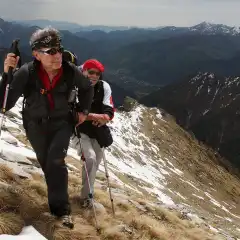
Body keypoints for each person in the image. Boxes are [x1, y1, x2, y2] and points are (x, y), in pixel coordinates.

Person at [0, 27, 94, 228]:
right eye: (50, 51)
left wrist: (84, 112)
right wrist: (7, 73)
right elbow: (4, 104)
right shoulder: (27, 72)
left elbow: (87, 88)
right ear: (36, 54)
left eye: (58, 49)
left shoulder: (70, 70)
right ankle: (57, 200)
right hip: (35, 125)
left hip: (62, 123)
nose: (57, 55)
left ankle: (62, 212)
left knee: (55, 161)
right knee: (47, 164)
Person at [72, 59, 114, 208]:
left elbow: (109, 108)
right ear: (83, 71)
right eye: (91, 72)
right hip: (80, 131)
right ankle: (86, 198)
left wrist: (106, 117)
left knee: (94, 165)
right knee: (90, 159)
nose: (94, 76)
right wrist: (97, 117)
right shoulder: (75, 86)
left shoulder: (104, 87)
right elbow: (72, 112)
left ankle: (87, 194)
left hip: (97, 132)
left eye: (97, 73)